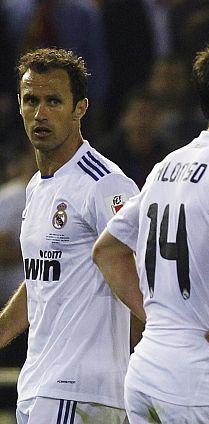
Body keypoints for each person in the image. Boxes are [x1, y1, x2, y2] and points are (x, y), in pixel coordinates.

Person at [92, 39, 209, 423]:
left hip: (146, 375)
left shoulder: (166, 166)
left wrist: (161, 319)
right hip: (208, 385)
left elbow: (107, 251)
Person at [0, 48, 139, 422]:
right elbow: (41, 280)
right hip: (40, 386)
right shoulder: (37, 187)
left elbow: (143, 271)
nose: (41, 113)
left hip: (80, 391)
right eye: (32, 100)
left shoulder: (105, 183)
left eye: (54, 101)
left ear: (80, 108)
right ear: (19, 104)